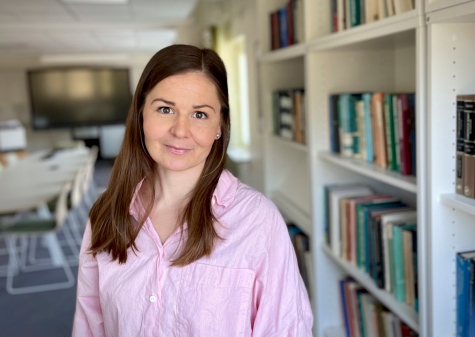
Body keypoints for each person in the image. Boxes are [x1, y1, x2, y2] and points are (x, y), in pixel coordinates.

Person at [72, 44, 313, 336]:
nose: (180, 130)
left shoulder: (258, 221)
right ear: (141, 116)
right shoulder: (106, 213)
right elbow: (89, 325)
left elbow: (285, 329)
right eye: (165, 109)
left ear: (220, 126)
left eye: (199, 114)